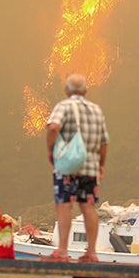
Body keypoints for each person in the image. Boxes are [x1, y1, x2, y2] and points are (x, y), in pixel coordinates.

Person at [46, 73, 108, 262]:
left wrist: (51, 150)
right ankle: (91, 252)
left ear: (66, 90)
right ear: (85, 91)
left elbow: (54, 127)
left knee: (64, 205)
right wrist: (101, 165)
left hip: (67, 167)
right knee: (88, 206)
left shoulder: (63, 106)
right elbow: (104, 142)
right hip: (90, 168)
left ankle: (63, 252)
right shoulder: (96, 110)